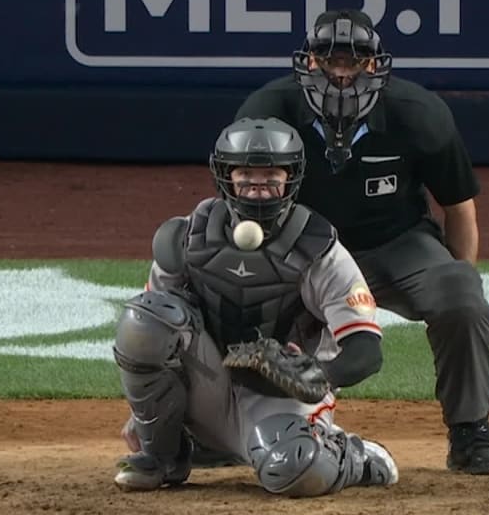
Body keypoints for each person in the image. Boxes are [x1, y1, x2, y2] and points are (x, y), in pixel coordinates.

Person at [234, 9, 489, 475]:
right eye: (329, 58)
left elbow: (459, 207)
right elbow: (238, 203)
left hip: (395, 244)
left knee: (461, 293)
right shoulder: (267, 113)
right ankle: (222, 427)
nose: (341, 71)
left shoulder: (419, 115)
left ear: (375, 64)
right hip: (303, 250)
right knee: (233, 298)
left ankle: (470, 429)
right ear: (308, 62)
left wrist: (460, 293)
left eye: (354, 60)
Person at [111, 116, 398, 496]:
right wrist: (148, 415)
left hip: (277, 400)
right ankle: (162, 455)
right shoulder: (188, 237)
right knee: (144, 320)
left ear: (291, 178)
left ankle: (355, 456)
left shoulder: (319, 250)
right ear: (225, 176)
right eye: (246, 174)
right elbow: (155, 326)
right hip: (209, 386)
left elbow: (366, 350)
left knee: (297, 471)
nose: (258, 188)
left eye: (271, 176)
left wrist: (320, 374)